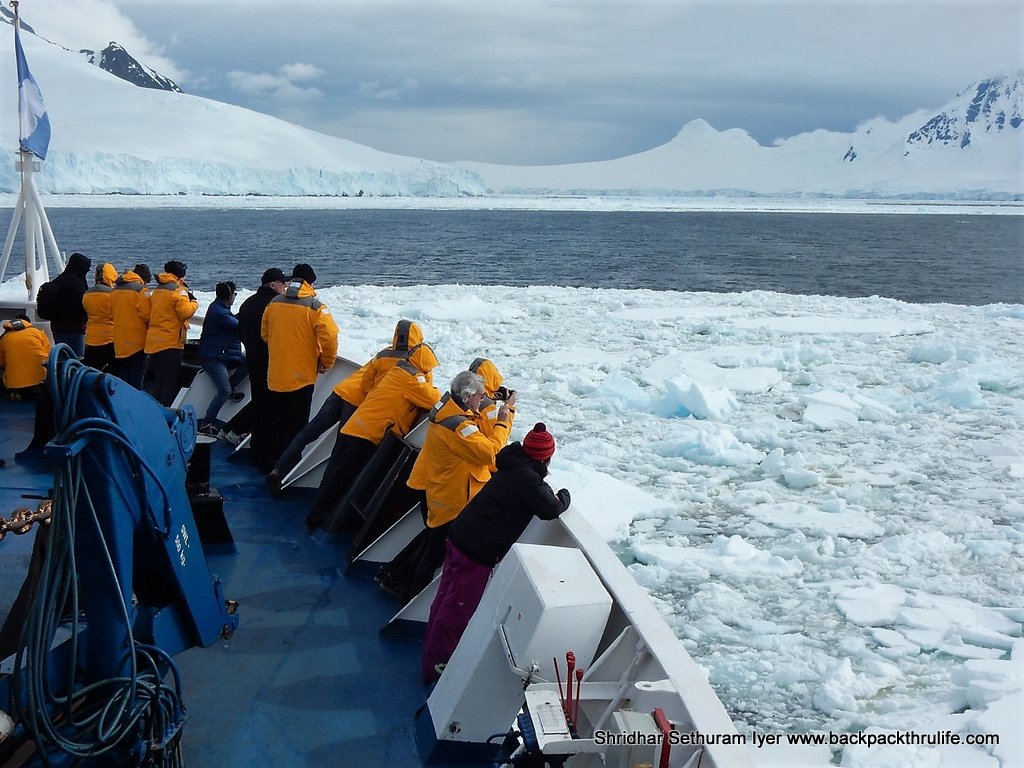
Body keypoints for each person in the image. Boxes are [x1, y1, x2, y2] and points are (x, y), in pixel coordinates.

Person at [421, 423, 570, 683]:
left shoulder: (512, 464)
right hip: (477, 550)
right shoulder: (526, 478)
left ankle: (429, 652)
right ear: (545, 457)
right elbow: (550, 509)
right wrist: (565, 496)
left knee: (445, 596)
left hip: (461, 536)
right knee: (457, 608)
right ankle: (436, 666)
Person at [267, 319, 426, 495]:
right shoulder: (412, 364)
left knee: (309, 432)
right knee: (339, 451)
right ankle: (324, 495)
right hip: (357, 404)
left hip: (341, 391)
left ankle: (279, 469)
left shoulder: (384, 353)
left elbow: (367, 377)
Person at [306, 341, 440, 533]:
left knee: (336, 474)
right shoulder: (413, 379)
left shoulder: (397, 371)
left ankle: (318, 515)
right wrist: (427, 379)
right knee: (347, 478)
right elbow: (433, 399)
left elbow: (369, 383)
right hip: (367, 434)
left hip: (355, 426)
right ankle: (322, 521)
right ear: (426, 366)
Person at [400, 370, 511, 600]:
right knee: (433, 553)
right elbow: (491, 453)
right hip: (452, 500)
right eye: (481, 396)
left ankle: (404, 589)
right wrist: (503, 420)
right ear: (468, 396)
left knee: (428, 547)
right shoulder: (460, 428)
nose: (483, 399)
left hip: (438, 489)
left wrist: (477, 412)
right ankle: (410, 599)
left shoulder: (446, 408)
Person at [260, 264, 339, 472]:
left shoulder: (274, 303)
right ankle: (285, 469)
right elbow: (329, 338)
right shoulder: (315, 307)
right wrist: (326, 362)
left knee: (276, 422)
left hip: (276, 375)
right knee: (295, 426)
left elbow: (265, 335)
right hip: (301, 378)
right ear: (311, 283)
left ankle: (268, 462)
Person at [237, 267, 287, 471]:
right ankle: (269, 460)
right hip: (272, 367)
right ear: (273, 284)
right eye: (283, 283)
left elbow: (240, 333)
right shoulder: (275, 306)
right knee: (273, 414)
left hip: (253, 365)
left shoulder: (247, 303)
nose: (284, 287)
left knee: (258, 410)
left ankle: (255, 454)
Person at [143, 260, 198, 407]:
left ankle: (152, 410)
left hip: (154, 342)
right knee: (169, 383)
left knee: (159, 382)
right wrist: (194, 302)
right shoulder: (178, 290)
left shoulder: (158, 289)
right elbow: (185, 313)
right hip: (170, 343)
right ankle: (164, 414)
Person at [197, 281, 248, 436]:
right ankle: (207, 422)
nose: (235, 296)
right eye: (234, 294)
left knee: (249, 362)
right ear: (228, 296)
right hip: (213, 357)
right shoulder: (220, 313)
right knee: (223, 391)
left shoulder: (219, 308)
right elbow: (239, 326)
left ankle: (232, 387)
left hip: (221, 355)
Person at [35, 251, 91, 357]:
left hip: (56, 327)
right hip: (75, 329)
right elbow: (82, 306)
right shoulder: (78, 284)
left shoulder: (59, 280)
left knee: (62, 357)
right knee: (77, 360)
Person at [111, 263, 152, 390]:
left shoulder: (115, 289)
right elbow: (147, 315)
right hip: (137, 340)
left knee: (125, 374)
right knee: (137, 374)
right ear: (143, 278)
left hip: (120, 339)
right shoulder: (140, 290)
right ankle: (137, 401)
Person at [0, 315, 51, 400]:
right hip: (37, 383)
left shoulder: (4, 338)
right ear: (28, 324)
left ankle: (17, 392)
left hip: (14, 386)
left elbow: (1, 362)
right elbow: (47, 354)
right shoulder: (38, 332)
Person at [82, 262, 118, 372]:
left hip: (91, 338)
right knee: (113, 371)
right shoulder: (112, 294)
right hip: (109, 338)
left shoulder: (87, 294)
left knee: (93, 370)